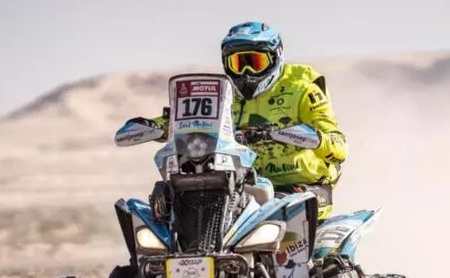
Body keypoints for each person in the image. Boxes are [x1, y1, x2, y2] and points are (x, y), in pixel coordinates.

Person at [132, 20, 348, 222]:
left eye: (255, 62)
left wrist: (313, 138)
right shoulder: (224, 96)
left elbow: (340, 148)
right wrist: (160, 126)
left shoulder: (302, 90)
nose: (246, 72)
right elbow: (192, 116)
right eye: (238, 64)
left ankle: (320, 252)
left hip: (301, 186)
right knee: (175, 206)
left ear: (275, 57)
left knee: (283, 212)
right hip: (243, 186)